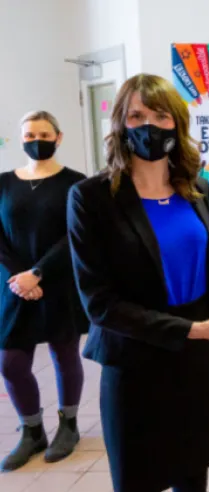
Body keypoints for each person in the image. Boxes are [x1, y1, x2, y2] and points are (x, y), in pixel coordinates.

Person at [67, 74, 209, 492]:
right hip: (134, 365)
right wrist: (193, 330)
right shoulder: (92, 199)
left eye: (160, 115)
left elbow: (204, 271)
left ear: (177, 123)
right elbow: (100, 304)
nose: (149, 126)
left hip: (193, 364)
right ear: (120, 124)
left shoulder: (194, 189)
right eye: (136, 116)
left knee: (193, 485)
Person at [0, 111, 89, 471]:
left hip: (59, 281)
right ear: (20, 138)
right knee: (10, 362)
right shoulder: (4, 183)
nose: (36, 140)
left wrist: (38, 273)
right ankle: (32, 431)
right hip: (14, 286)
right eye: (29, 135)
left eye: (43, 134)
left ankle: (68, 425)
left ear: (58, 137)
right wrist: (19, 277)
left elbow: (74, 236)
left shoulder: (76, 184)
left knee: (64, 354)